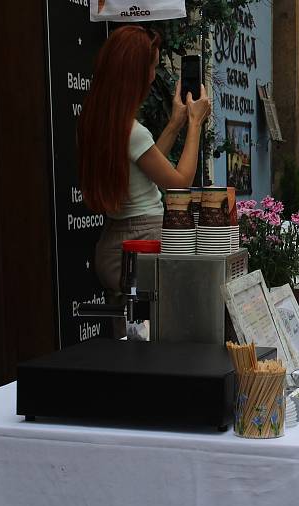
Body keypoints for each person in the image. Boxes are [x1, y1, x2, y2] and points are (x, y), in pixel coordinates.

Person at [79, 26, 211, 305]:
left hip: (115, 243)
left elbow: (144, 169)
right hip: (142, 243)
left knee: (128, 340)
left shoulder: (100, 123)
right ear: (135, 74)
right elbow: (179, 183)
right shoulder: (132, 131)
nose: (153, 77)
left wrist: (175, 124)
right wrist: (195, 124)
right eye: (151, 67)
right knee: (154, 339)